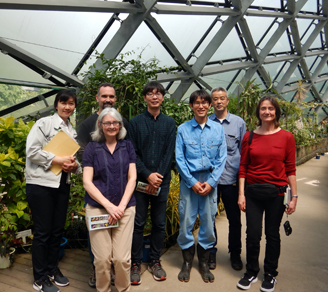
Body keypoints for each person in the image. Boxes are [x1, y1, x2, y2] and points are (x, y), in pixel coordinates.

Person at [237, 96, 298, 292]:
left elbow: (290, 169)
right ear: (258, 112)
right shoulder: (250, 136)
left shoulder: (287, 137)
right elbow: (243, 167)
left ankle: (270, 273)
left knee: (272, 234)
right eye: (263, 108)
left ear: (276, 112)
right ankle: (251, 271)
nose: (267, 112)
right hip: (253, 192)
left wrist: (294, 197)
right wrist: (241, 194)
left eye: (271, 108)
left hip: (277, 194)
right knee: (252, 234)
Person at [26, 89, 82, 292]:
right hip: (40, 185)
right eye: (64, 102)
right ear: (56, 104)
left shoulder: (71, 130)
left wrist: (74, 167)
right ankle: (39, 278)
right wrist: (58, 160)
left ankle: (51, 269)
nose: (68, 107)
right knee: (43, 232)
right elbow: (32, 151)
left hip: (61, 185)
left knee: (57, 230)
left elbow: (74, 161)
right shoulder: (44, 124)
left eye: (71, 103)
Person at [76, 82, 128, 288]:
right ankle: (96, 268)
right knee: (98, 243)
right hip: (97, 194)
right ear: (97, 98)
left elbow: (127, 153)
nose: (108, 99)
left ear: (115, 99)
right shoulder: (87, 124)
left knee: (118, 243)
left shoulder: (123, 122)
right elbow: (82, 153)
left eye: (111, 97)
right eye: (104, 96)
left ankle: (115, 270)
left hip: (120, 195)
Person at [82, 107, 137, 292]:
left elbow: (132, 178)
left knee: (121, 259)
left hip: (125, 208)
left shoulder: (127, 146)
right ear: (100, 125)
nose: (111, 126)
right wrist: (108, 206)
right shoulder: (92, 148)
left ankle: (123, 289)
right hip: (98, 209)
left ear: (120, 125)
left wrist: (120, 207)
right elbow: (87, 182)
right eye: (107, 123)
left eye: (115, 123)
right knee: (102, 259)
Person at [175, 89, 227, 283]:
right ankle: (187, 263)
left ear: (209, 105)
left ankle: (204, 263)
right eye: (197, 102)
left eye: (205, 102)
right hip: (189, 183)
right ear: (191, 106)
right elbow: (179, 158)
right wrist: (192, 182)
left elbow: (222, 158)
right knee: (186, 222)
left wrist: (212, 182)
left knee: (207, 224)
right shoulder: (183, 129)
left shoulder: (217, 129)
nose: (201, 106)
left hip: (210, 183)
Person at [128, 82, 176, 285]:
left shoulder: (170, 123)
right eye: (150, 93)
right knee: (138, 223)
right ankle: (135, 263)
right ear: (145, 98)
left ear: (163, 97)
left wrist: (158, 178)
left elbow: (169, 153)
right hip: (140, 182)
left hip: (162, 183)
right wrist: (148, 175)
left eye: (158, 93)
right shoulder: (135, 123)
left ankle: (155, 261)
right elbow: (132, 152)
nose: (154, 97)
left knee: (158, 223)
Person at [208, 87, 246, 271]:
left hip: (231, 180)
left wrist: (242, 186)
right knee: (209, 218)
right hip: (211, 181)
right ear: (211, 102)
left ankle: (235, 254)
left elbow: (245, 153)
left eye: (222, 98)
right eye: (215, 99)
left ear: (228, 100)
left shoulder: (238, 123)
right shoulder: (206, 122)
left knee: (235, 220)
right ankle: (211, 253)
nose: (219, 102)